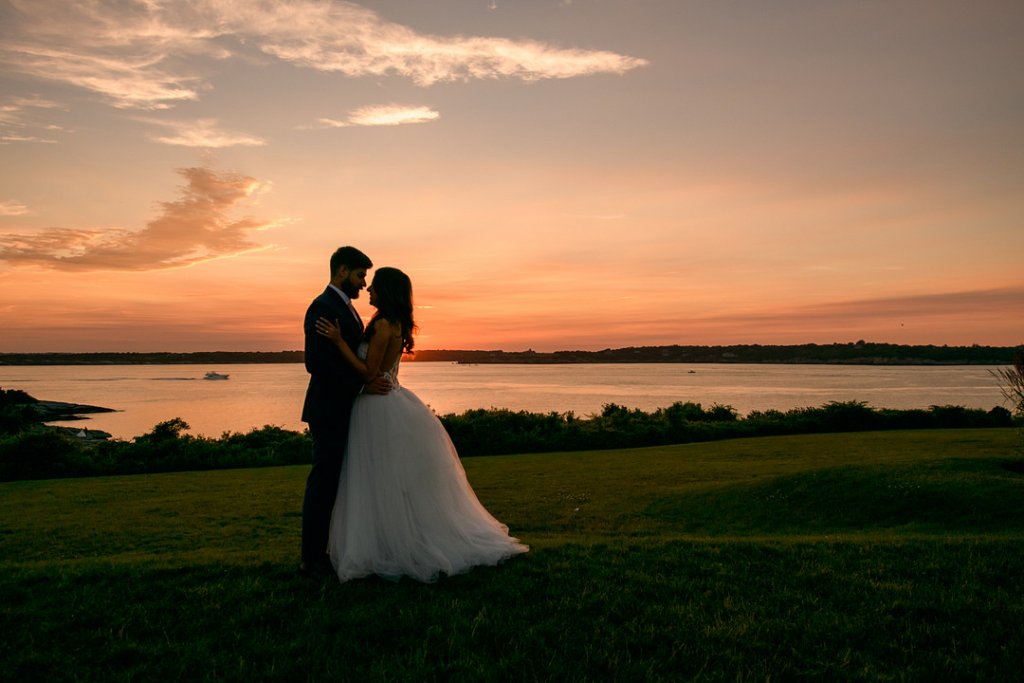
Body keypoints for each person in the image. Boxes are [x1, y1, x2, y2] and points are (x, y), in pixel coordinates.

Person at [315, 267, 528, 582]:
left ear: (385, 291)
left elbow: (368, 371)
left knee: (378, 479)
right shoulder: (393, 323)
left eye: (374, 287)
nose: (369, 290)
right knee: (385, 481)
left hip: (376, 408)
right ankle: (388, 541)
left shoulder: (385, 324)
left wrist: (337, 341)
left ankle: (390, 547)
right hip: (389, 401)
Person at [299, 246, 388, 577]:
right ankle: (312, 558)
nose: (364, 283)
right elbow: (317, 363)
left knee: (338, 482)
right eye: (360, 275)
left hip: (345, 407)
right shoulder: (322, 307)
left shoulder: (347, 308)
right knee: (323, 482)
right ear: (342, 271)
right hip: (329, 409)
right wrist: (361, 386)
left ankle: (333, 549)